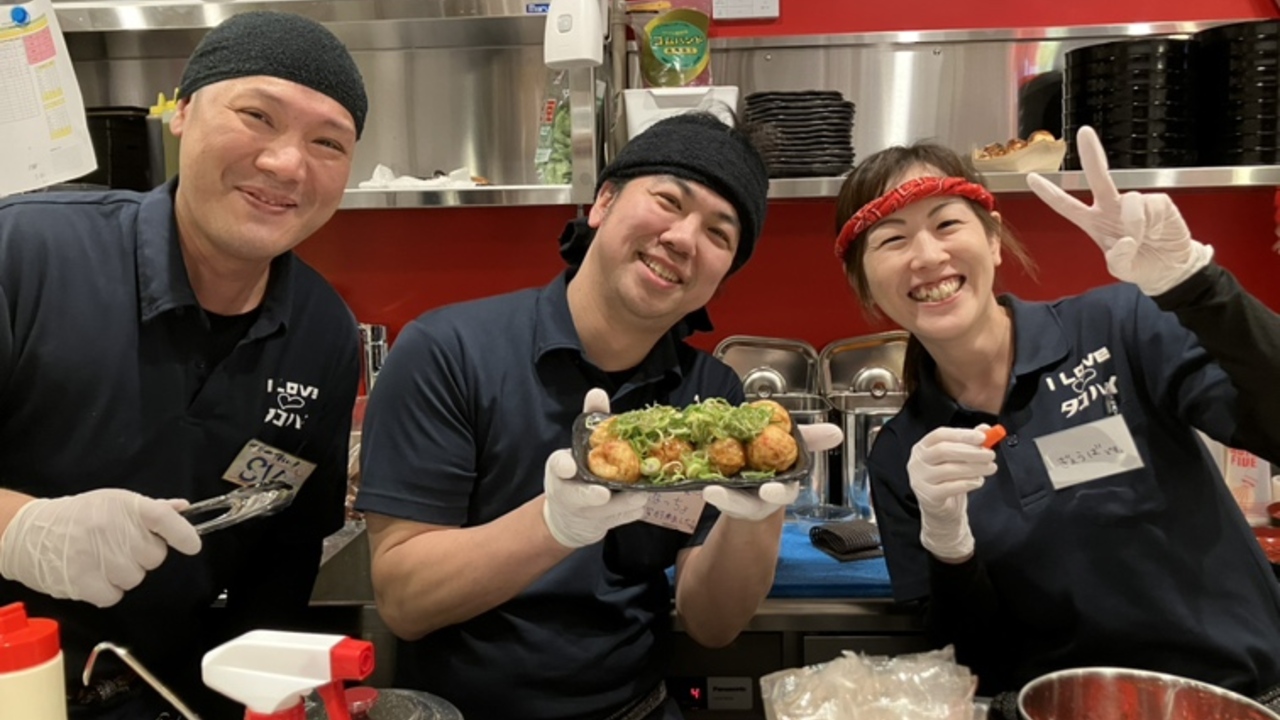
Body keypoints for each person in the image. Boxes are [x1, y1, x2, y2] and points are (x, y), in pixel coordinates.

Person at [356, 112, 843, 720]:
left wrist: (762, 512)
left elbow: (713, 623)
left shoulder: (710, 398)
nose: (684, 239)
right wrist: (556, 524)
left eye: (719, 234)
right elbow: (404, 600)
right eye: (668, 201)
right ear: (604, 202)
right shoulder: (448, 352)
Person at [833, 126, 1280, 711]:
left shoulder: (1119, 328)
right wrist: (949, 546)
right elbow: (967, 659)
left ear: (994, 240)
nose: (928, 256)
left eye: (946, 224)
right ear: (866, 287)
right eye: (892, 239)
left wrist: (1197, 287)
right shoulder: (903, 454)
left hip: (1239, 701)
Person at [0, 11, 366, 719]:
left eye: (328, 142)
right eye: (257, 116)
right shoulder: (25, 256)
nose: (287, 164)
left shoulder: (322, 333)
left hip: (166, 696)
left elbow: (283, 561)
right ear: (183, 111)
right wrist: (21, 530)